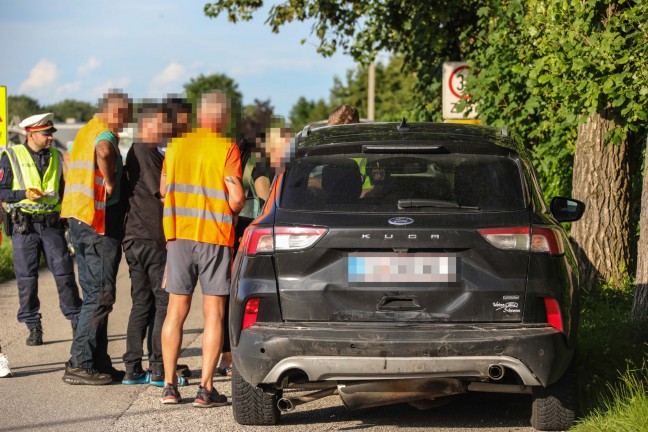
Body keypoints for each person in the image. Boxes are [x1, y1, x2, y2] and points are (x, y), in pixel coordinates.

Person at [160, 91, 245, 406]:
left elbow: (162, 189)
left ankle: (169, 386)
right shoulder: (227, 147)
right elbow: (236, 199)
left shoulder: (176, 146)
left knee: (175, 311)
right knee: (214, 313)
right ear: (222, 116)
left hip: (179, 236)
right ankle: (205, 389)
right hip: (214, 236)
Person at [60, 91, 131, 385]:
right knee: (101, 295)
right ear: (114, 112)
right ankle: (80, 361)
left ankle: (99, 360)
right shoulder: (103, 133)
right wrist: (112, 181)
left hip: (79, 218)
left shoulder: (84, 131)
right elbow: (104, 152)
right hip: (97, 221)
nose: (125, 123)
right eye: (125, 116)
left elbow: (68, 162)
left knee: (94, 293)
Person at [0, 113, 81, 346]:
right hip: (23, 226)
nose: (50, 138)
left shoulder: (56, 155)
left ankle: (76, 321)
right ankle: (33, 325)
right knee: (27, 279)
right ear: (31, 134)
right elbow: (2, 191)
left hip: (51, 225)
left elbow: (62, 189)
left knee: (65, 274)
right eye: (46, 134)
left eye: (51, 133)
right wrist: (23, 194)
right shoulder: (11, 156)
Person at [121, 103, 179, 385]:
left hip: (136, 236)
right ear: (146, 124)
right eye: (161, 123)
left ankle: (133, 368)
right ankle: (158, 368)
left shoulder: (140, 149)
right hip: (151, 239)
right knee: (161, 303)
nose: (165, 128)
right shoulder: (145, 149)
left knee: (142, 303)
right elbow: (163, 192)